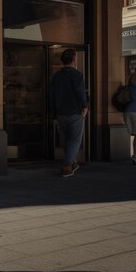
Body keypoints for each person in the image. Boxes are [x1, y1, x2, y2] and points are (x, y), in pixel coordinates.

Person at [49, 49, 88, 177]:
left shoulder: (56, 76)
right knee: (75, 140)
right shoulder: (77, 75)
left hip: (60, 113)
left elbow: (52, 96)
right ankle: (67, 166)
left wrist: (53, 113)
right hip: (74, 112)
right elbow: (80, 92)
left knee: (66, 140)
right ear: (74, 59)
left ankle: (73, 162)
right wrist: (84, 107)